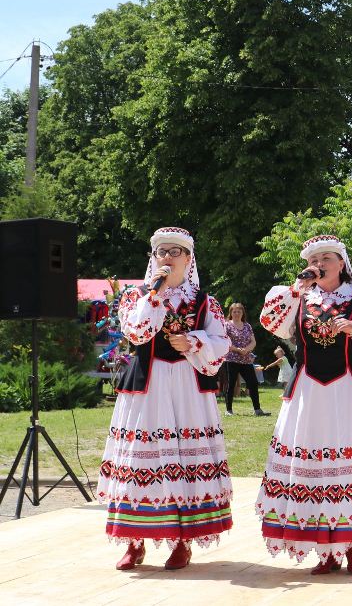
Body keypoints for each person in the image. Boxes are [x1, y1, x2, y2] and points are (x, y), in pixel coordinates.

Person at [256, 235, 352, 575]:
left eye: (327, 258)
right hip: (310, 391)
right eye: (315, 259)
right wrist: (297, 287)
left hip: (349, 391)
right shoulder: (297, 297)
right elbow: (269, 321)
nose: (320, 264)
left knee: (347, 464)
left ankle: (350, 545)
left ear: (341, 264)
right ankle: (325, 550)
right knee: (313, 468)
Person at [97, 227, 233, 571]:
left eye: (176, 252)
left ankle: (182, 542)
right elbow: (137, 331)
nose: (168, 258)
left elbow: (222, 344)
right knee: (141, 462)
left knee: (186, 462)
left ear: (189, 260)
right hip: (148, 386)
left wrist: (195, 341)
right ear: (153, 259)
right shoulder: (136, 297)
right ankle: (134, 541)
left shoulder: (205, 302)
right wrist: (154, 294)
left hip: (188, 387)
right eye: (162, 252)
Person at [224, 302, 270, 416]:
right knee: (231, 385)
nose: (237, 313)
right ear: (231, 313)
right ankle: (228, 410)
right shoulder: (226, 325)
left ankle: (257, 410)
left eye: (239, 311)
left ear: (242, 313)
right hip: (232, 359)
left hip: (246, 360)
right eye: (234, 311)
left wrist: (246, 349)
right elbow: (224, 342)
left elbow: (253, 342)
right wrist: (238, 350)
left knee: (253, 383)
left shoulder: (247, 326)